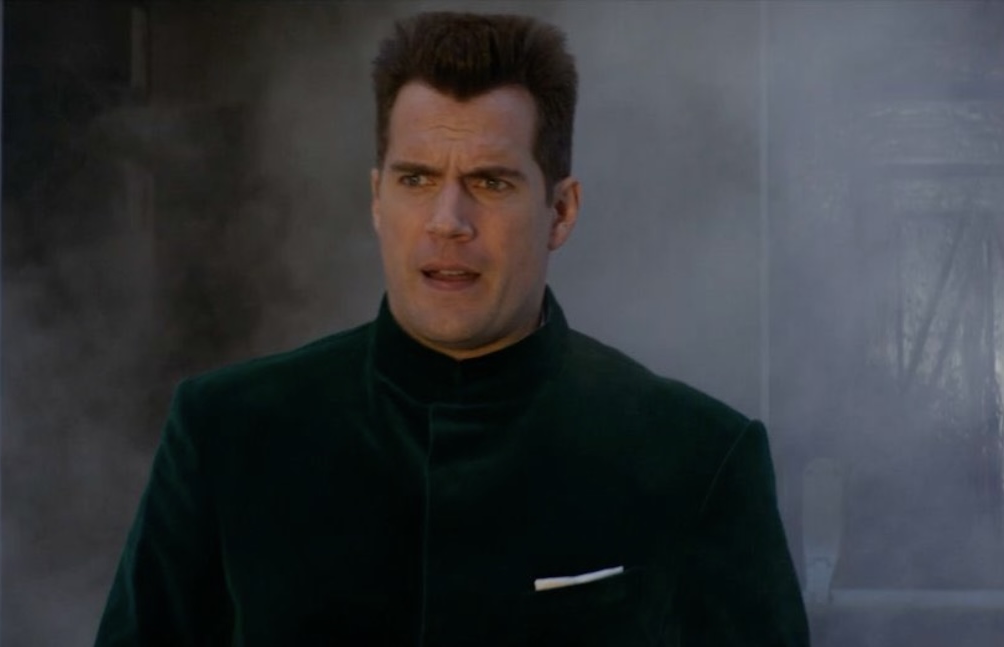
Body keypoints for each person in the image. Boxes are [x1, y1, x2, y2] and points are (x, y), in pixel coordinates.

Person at [94, 11, 809, 646]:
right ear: (377, 200)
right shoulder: (225, 433)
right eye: (416, 179)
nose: (448, 221)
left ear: (561, 211)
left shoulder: (700, 460)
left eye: (491, 182)